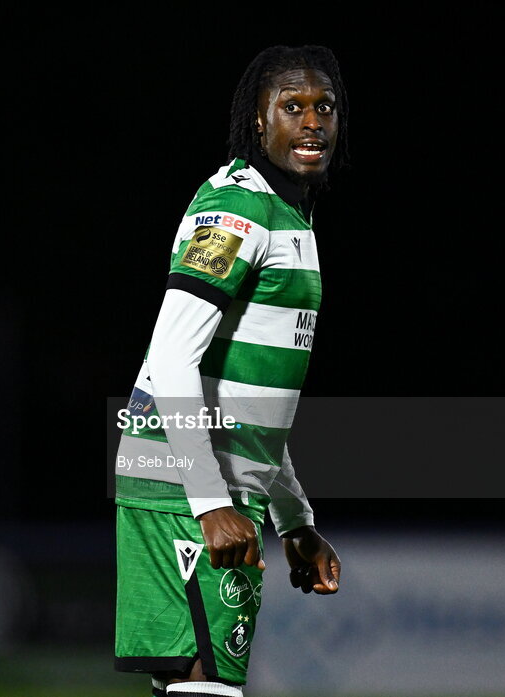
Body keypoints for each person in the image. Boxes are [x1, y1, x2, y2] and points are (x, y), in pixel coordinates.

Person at [113, 45, 349, 697]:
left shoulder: (290, 214)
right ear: (257, 120)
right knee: (208, 688)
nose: (312, 122)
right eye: (292, 106)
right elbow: (169, 356)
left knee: (191, 687)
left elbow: (254, 408)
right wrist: (211, 501)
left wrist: (293, 520)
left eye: (323, 107)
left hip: (191, 478)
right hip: (187, 485)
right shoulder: (237, 206)